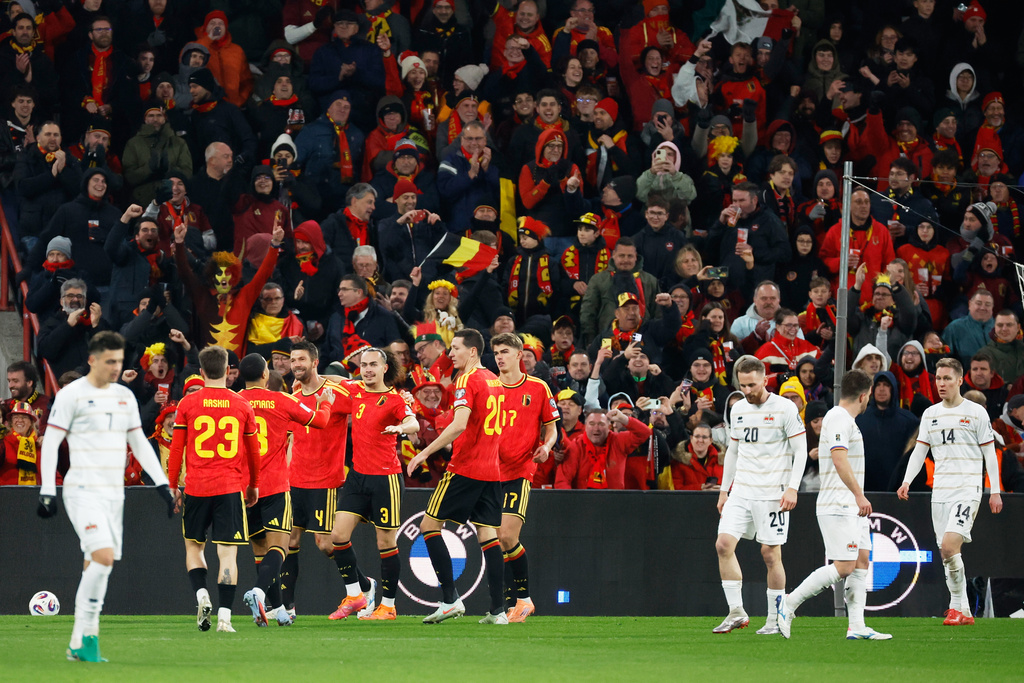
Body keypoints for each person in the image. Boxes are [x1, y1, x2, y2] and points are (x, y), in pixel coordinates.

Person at [38, 331, 174, 662]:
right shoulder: (72, 395)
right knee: (103, 557)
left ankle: (81, 642)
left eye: (119, 361)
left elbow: (140, 442)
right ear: (92, 360)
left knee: (96, 565)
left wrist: (161, 484)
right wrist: (46, 490)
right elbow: (52, 442)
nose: (115, 367)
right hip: (82, 488)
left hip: (114, 493)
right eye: (109, 361)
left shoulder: (124, 397)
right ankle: (85, 642)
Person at [776, 370, 892, 641]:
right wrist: (859, 495)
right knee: (844, 566)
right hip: (839, 502)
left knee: (862, 560)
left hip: (850, 505)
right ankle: (789, 603)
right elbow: (839, 459)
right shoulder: (839, 417)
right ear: (864, 396)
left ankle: (857, 626)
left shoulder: (845, 419)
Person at [406, 329, 507, 624]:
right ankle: (499, 611)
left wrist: (425, 453)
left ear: (472, 351)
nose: (451, 354)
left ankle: (450, 599)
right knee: (488, 535)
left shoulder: (467, 380)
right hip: (491, 470)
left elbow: (460, 424)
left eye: (456, 348)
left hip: (466, 468)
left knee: (429, 526)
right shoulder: (494, 380)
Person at [897, 358, 1003, 625]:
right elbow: (920, 450)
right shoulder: (931, 414)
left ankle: (955, 606)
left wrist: (995, 490)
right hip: (940, 491)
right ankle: (964, 611)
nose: (941, 384)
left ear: (959, 380)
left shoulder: (976, 412)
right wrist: (907, 480)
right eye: (937, 379)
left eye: (946, 378)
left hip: (967, 488)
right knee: (946, 553)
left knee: (949, 545)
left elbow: (989, 452)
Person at [166, 345, 261, 634]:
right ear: (229, 370)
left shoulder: (188, 404)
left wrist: (173, 485)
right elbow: (253, 451)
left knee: (194, 546)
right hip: (230, 488)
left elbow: (176, 449)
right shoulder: (242, 405)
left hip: (196, 487)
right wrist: (253, 485)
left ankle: (201, 595)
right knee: (228, 554)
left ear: (201, 371)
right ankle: (225, 619)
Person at [237, 353, 335, 627]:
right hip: (274, 485)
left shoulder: (234, 401)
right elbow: (320, 421)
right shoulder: (282, 400)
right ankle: (258, 592)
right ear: (266, 375)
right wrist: (325, 403)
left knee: (260, 550)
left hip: (242, 488)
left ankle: (279, 609)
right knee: (280, 548)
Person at [713, 357, 807, 635]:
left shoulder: (785, 408)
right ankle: (736, 612)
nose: (748, 391)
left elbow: (800, 450)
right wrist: (723, 489)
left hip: (772, 492)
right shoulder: (739, 408)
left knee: (770, 554)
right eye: (743, 385)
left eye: (752, 384)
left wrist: (793, 487)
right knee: (723, 545)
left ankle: (775, 619)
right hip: (741, 490)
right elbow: (733, 450)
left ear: (765, 380)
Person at [326, 348, 417, 621]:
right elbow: (329, 381)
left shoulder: (395, 400)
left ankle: (388, 606)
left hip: (386, 478)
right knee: (338, 536)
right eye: (363, 365)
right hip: (357, 476)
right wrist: (305, 378)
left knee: (385, 542)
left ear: (385, 368)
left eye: (373, 365)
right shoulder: (354, 391)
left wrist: (400, 428)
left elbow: (412, 422)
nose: (367, 370)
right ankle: (355, 595)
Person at [491, 333, 558, 622]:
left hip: (520, 469)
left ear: (520, 354)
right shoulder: (488, 387)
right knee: (498, 540)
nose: (499, 357)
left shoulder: (538, 387)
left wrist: (546, 446)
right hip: (490, 472)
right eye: (495, 353)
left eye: (505, 351)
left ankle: (524, 599)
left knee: (507, 535)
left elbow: (552, 427)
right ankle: (513, 604)